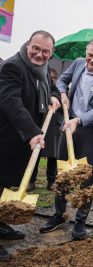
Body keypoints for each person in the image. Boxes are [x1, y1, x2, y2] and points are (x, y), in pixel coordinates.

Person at [39, 39, 93, 240]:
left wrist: (78, 120)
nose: (92, 60)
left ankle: (81, 221)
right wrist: (63, 93)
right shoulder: (77, 63)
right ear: (86, 52)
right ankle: (59, 214)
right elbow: (61, 81)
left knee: (87, 177)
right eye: (90, 55)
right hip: (69, 123)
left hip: (90, 129)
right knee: (62, 172)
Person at [0, 30, 61, 261]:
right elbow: (11, 102)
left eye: (46, 51)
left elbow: (49, 86)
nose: (40, 54)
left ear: (51, 52)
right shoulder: (13, 67)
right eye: (36, 48)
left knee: (6, 187)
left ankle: (1, 224)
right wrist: (32, 131)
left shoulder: (43, 69)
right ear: (28, 44)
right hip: (6, 138)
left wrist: (55, 94)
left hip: (23, 141)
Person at [29, 68, 63, 191]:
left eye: (54, 78)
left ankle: (52, 180)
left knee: (53, 154)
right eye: (51, 77)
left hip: (54, 124)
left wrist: (56, 98)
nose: (52, 79)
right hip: (39, 123)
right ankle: (31, 180)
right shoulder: (38, 85)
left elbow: (59, 96)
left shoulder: (61, 89)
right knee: (35, 151)